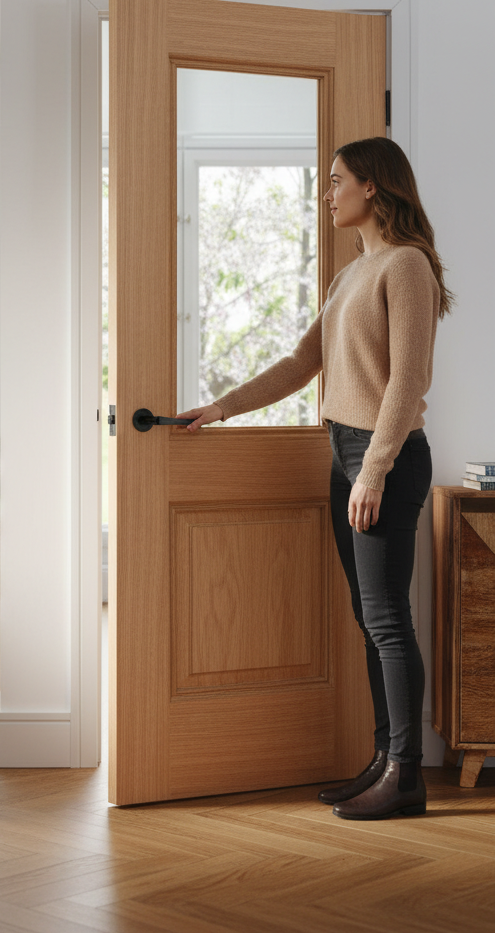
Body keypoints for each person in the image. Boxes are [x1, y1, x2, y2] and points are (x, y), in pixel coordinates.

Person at [178, 136, 452, 821]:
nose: (326, 193)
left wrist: (376, 470)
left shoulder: (407, 266)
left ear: (373, 187)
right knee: (370, 616)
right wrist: (222, 406)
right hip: (346, 454)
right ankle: (384, 758)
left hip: (384, 457)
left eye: (336, 181)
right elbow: (304, 362)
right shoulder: (348, 275)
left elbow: (409, 380)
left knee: (388, 619)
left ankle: (408, 776)